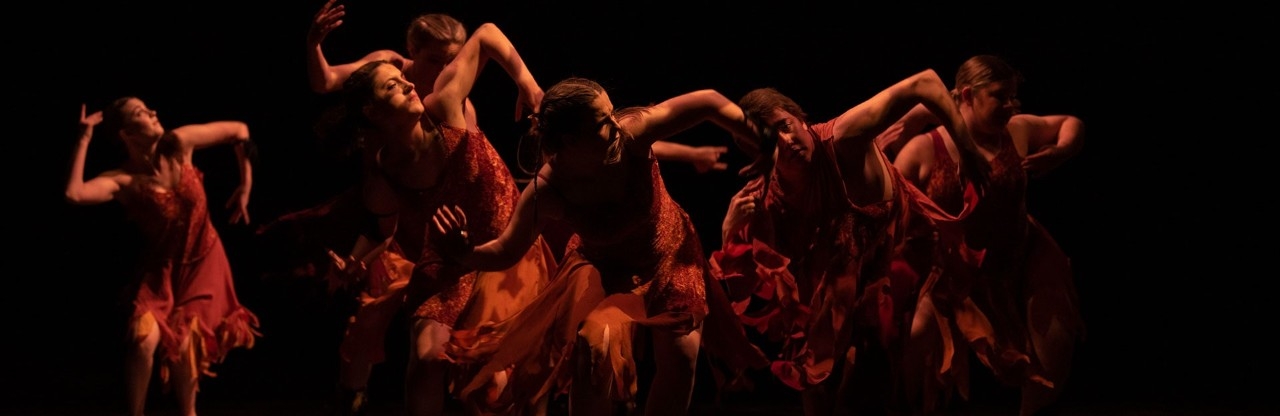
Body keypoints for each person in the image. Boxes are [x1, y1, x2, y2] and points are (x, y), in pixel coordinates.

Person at [431, 77, 768, 416]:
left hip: (667, 253)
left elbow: (709, 101)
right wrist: (464, 252)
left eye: (612, 113)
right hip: (607, 271)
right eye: (603, 121)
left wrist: (761, 141)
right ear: (569, 140)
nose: (615, 125)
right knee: (592, 351)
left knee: (681, 357)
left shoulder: (631, 135)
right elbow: (506, 251)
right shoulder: (548, 190)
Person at [708, 68, 996, 415]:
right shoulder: (766, 198)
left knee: (882, 356)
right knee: (811, 361)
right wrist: (728, 227)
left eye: (785, 126)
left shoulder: (844, 135)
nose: (784, 142)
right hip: (836, 260)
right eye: (768, 140)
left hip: (891, 243)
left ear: (800, 117)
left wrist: (967, 148)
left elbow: (925, 81)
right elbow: (742, 280)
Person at [326, 20, 563, 416]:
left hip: (504, 251)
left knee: (496, 386)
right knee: (426, 358)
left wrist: (529, 86)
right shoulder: (385, 170)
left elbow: (487, 33)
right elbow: (398, 233)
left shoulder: (446, 104)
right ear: (372, 111)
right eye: (391, 86)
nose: (406, 85)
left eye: (401, 80)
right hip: (448, 259)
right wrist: (359, 263)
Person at [885, 54, 1086, 416]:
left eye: (1013, 97)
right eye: (999, 97)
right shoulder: (925, 148)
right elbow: (889, 209)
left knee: (1054, 348)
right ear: (966, 96)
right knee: (918, 341)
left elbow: (1072, 122)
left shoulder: (1018, 131)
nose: (1010, 106)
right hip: (951, 267)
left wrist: (1060, 152)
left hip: (1018, 253)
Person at [64, 98, 261, 416]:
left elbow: (240, 130)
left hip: (204, 263)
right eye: (141, 113)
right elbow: (74, 193)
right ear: (127, 134)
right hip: (162, 272)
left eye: (150, 108)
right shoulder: (123, 181)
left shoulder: (180, 143)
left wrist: (246, 184)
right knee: (142, 340)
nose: (154, 113)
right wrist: (84, 139)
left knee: (185, 351)